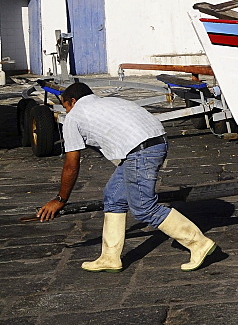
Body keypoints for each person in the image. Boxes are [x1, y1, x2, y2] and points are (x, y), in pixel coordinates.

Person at [36, 82, 217, 272]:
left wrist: (60, 199)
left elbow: (71, 165)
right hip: (157, 141)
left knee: (143, 207)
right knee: (113, 197)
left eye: (65, 106)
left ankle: (199, 243)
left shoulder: (75, 116)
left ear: (72, 101)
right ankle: (109, 257)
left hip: (140, 151)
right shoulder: (112, 102)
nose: (66, 111)